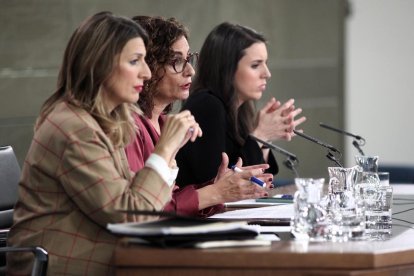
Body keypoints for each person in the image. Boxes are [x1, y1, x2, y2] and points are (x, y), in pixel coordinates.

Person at [6, 12, 208, 275]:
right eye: (135, 61)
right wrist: (165, 150)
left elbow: (139, 203)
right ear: (100, 64)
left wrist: (168, 153)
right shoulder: (74, 127)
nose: (146, 73)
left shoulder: (104, 122)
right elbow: (130, 217)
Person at [125, 16, 272, 218]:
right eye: (176, 61)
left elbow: (169, 197)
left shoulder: (162, 123)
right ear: (147, 66)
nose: (190, 70)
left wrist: (217, 188)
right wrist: (215, 192)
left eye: (188, 59)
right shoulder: (129, 125)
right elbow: (142, 208)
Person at [175, 22, 306, 187]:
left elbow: (260, 181)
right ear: (227, 68)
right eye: (256, 65)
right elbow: (217, 184)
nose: (267, 73)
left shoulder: (241, 108)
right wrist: (260, 135)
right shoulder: (206, 105)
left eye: (266, 63)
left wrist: (266, 138)